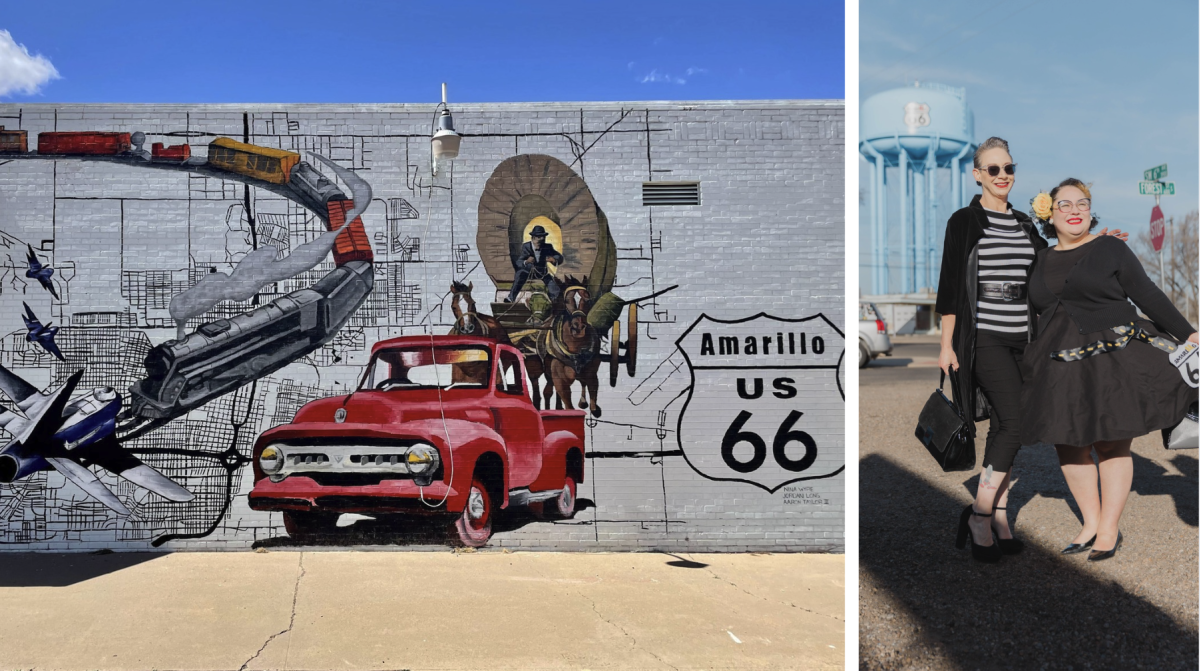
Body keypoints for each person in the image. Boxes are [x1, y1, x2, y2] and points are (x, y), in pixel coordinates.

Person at [935, 138, 1125, 562]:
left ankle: (999, 518)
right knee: (1014, 423)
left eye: (1009, 168)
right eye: (993, 169)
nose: (1003, 175)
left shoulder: (1024, 224)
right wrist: (946, 345)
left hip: (1026, 339)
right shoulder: (964, 221)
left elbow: (1057, 260)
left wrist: (1095, 242)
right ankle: (979, 515)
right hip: (983, 337)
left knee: (1006, 427)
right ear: (978, 175)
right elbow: (950, 287)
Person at [1021, 178, 1198, 561]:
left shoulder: (1109, 248)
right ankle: (1089, 522)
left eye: (1082, 203)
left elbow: (1147, 293)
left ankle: (1108, 528)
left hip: (1113, 359)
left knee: (1111, 442)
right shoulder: (1040, 258)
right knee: (1068, 443)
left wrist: (1189, 334)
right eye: (1065, 204)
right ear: (1049, 213)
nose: (1074, 210)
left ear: (1090, 211)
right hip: (1059, 364)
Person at [505, 225, 563, 303]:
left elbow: (559, 257)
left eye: (543, 237)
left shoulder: (547, 247)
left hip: (542, 273)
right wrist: (526, 261)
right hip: (528, 273)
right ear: (532, 238)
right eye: (538, 237)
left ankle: (551, 301)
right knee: (520, 274)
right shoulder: (526, 246)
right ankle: (511, 298)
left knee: (554, 288)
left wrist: (554, 259)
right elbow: (519, 262)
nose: (541, 240)